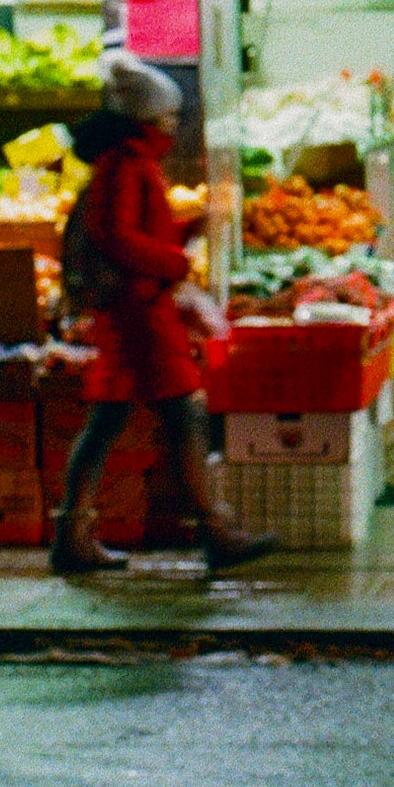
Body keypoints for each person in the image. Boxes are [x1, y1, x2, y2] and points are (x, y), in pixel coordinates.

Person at [49, 53, 276, 577]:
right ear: (144, 122)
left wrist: (191, 226)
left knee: (110, 424)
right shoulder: (124, 165)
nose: (173, 128)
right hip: (140, 319)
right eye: (167, 120)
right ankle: (216, 531)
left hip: (138, 314)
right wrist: (175, 261)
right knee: (183, 418)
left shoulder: (128, 162)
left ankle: (74, 535)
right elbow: (118, 236)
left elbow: (132, 231)